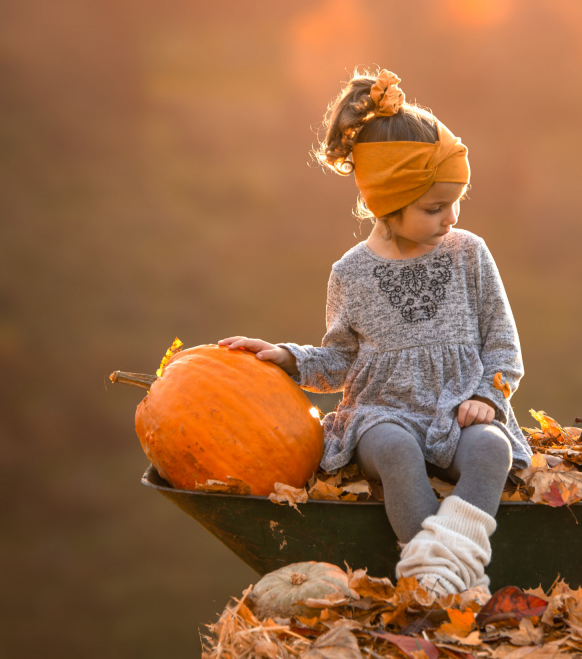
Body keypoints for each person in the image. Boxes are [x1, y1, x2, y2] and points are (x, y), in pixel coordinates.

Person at [218, 68, 531, 595]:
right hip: (382, 412)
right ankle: (438, 576)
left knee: (491, 450)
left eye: (456, 202)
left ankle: (443, 568)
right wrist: (290, 358)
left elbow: (502, 344)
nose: (451, 217)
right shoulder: (351, 273)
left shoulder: (469, 255)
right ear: (387, 202)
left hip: (457, 405)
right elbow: (340, 360)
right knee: (393, 451)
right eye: (435, 207)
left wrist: (486, 395)